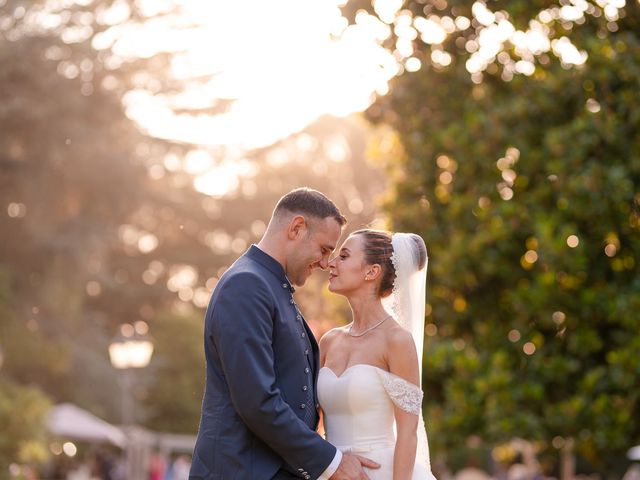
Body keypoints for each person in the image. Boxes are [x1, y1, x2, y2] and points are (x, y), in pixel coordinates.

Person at [189, 188, 380, 480]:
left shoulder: (272, 287)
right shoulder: (245, 286)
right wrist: (333, 462)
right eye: (325, 249)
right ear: (296, 228)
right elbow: (257, 402)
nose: (326, 263)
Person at [319, 229, 437, 480]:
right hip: (332, 471)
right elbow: (314, 421)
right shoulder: (329, 341)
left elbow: (408, 431)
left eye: (344, 256)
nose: (331, 263)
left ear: (371, 272)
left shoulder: (397, 340)